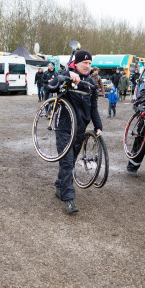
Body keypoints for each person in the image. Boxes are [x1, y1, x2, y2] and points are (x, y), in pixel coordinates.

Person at [51, 50, 103, 214]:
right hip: (64, 128)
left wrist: (98, 126)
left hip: (81, 128)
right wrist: (65, 77)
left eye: (89, 63)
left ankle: (60, 186)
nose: (87, 66)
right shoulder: (66, 76)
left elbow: (94, 108)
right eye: (84, 63)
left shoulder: (91, 85)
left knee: (70, 161)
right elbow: (50, 85)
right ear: (77, 63)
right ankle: (69, 200)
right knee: (66, 162)